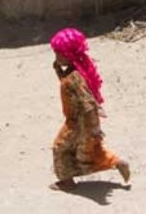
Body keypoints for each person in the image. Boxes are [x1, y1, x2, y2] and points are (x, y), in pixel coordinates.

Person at [49, 28, 130, 190]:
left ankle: (67, 182)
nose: (56, 57)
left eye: (59, 54)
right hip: (80, 121)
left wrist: (92, 126)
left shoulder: (74, 77)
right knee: (86, 150)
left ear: (69, 54)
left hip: (78, 122)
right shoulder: (77, 71)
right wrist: (58, 70)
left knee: (60, 148)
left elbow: (86, 101)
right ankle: (116, 162)